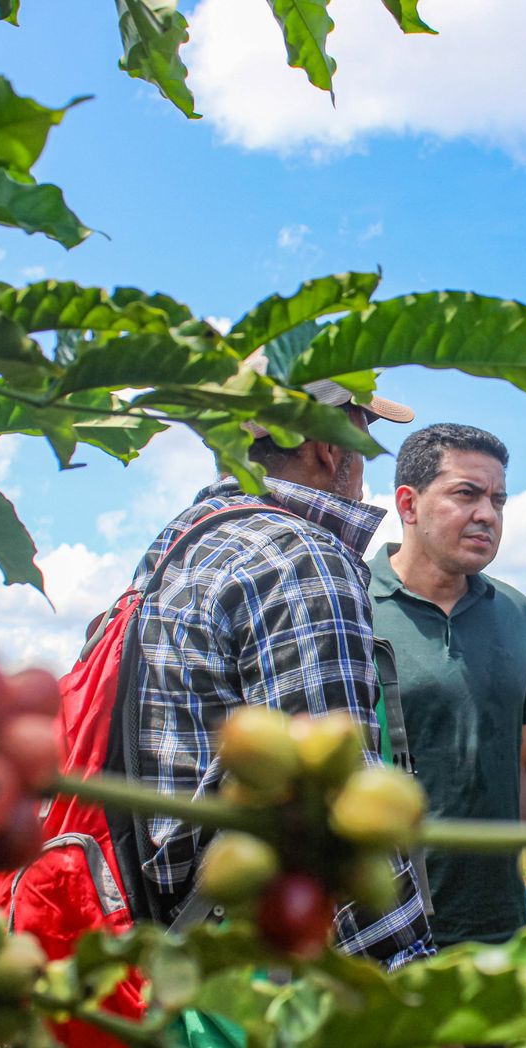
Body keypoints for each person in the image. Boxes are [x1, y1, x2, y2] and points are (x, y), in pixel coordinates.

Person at [126, 363, 434, 970]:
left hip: (159, 941)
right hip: (257, 960)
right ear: (328, 447)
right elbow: (336, 816)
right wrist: (409, 997)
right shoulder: (299, 559)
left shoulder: (178, 548)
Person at [368, 424, 526, 960]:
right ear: (409, 504)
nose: (487, 514)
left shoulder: (514, 612)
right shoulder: (352, 605)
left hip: (504, 928)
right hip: (384, 930)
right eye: (466, 494)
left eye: (498, 500)